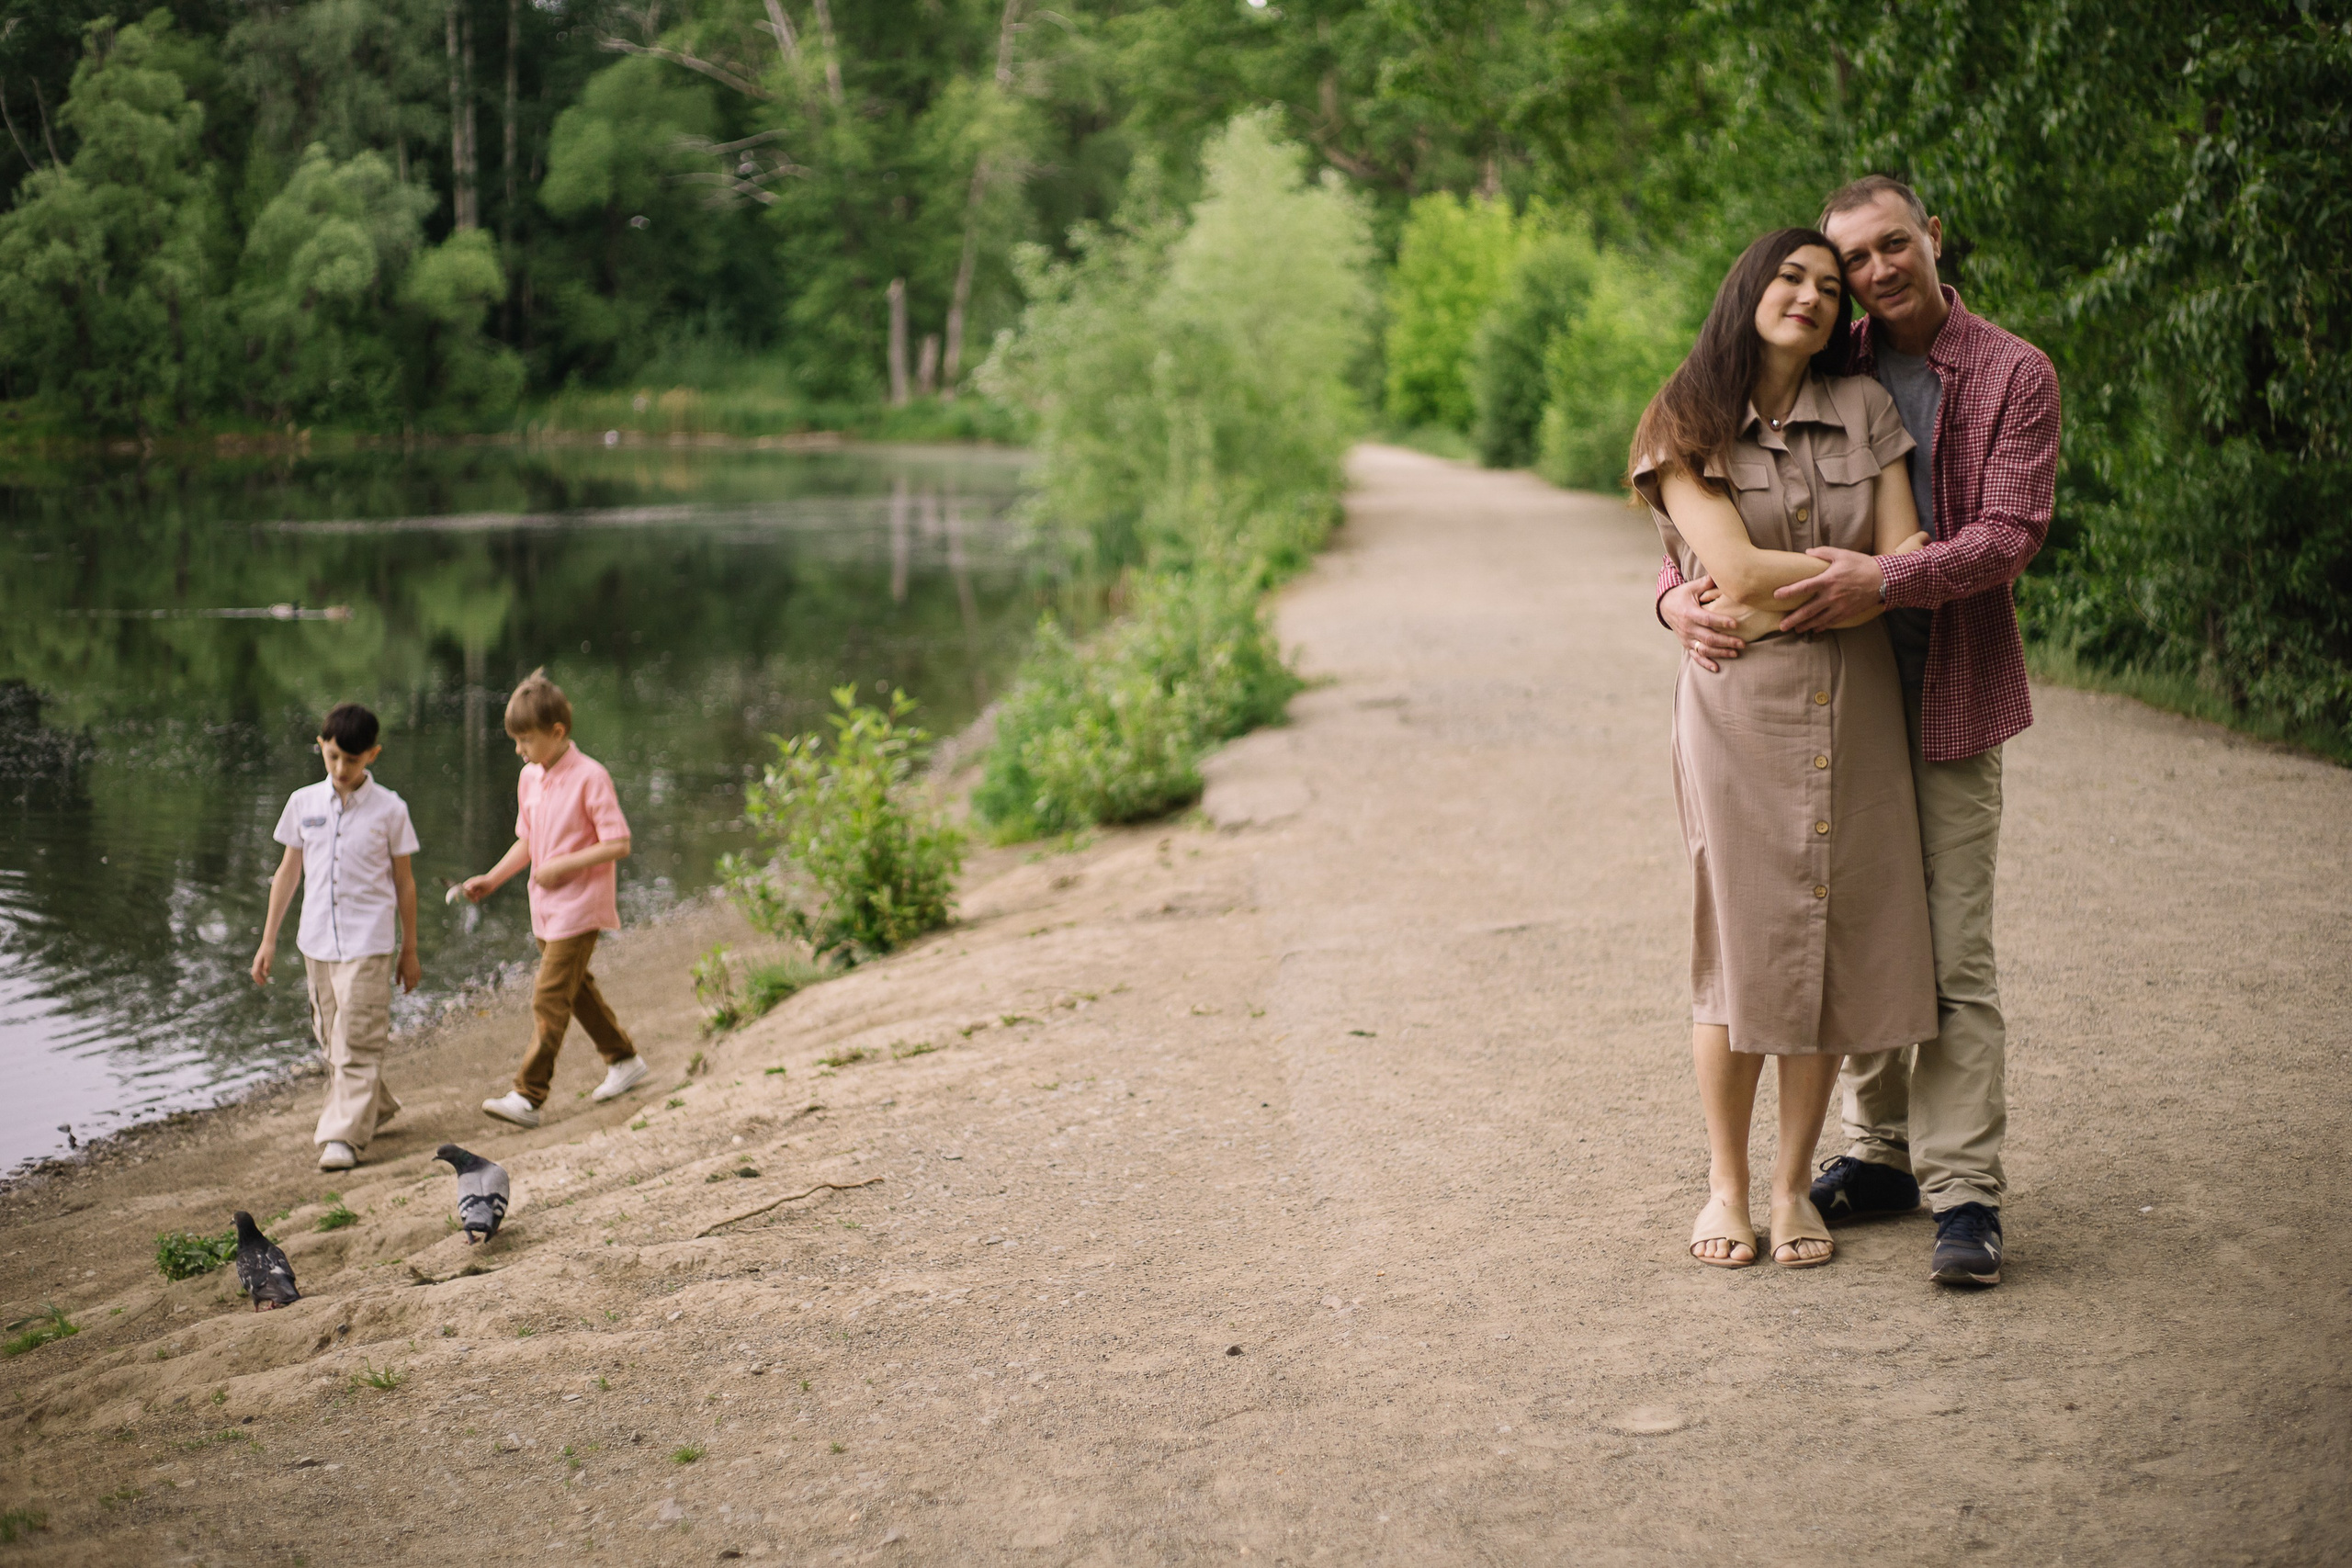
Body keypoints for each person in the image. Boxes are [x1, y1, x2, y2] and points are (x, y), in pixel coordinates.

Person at [1657, 175, 2060, 1289]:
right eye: (1846, 262)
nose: (1870, 275)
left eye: (1891, 248)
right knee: (1860, 936)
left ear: (1933, 239)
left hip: (1944, 693)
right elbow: (1723, 504)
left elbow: (2006, 535)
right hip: (1819, 693)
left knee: (1951, 955)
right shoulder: (1830, 362)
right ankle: (1877, 1155)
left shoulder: (2010, 373)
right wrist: (1672, 595)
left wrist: (1885, 579)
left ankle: (1964, 1189)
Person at [1630, 226, 1937, 1271]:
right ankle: (1725, 1184)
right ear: (1748, 289)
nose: (1806, 295)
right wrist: (1731, 594)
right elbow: (1727, 571)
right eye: (1787, 277)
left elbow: (1903, 560)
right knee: (1744, 941)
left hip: (1858, 707)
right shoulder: (1686, 416)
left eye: (1825, 284)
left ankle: (1792, 1183)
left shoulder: (1864, 408)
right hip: (1736, 709)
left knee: (1830, 944)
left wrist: (1801, 584)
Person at [463, 669, 651, 1128]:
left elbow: (618, 842)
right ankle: (624, 1059)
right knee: (576, 989)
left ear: (557, 732)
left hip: (580, 907)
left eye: (525, 740)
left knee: (549, 996)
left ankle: (528, 1095)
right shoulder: (531, 778)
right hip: (544, 909)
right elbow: (528, 840)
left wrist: (561, 864)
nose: (519, 750)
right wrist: (493, 878)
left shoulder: (591, 778)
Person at [251, 703, 422, 1172]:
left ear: (372, 754)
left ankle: (341, 1137)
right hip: (317, 942)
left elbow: (405, 883)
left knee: (358, 1039)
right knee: (331, 1039)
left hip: (369, 942)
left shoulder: (391, 810)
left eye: (352, 759)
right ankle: (375, 1106)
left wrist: (409, 949)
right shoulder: (303, 803)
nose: (341, 769)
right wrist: (268, 941)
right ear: (321, 750)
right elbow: (287, 874)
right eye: (332, 758)